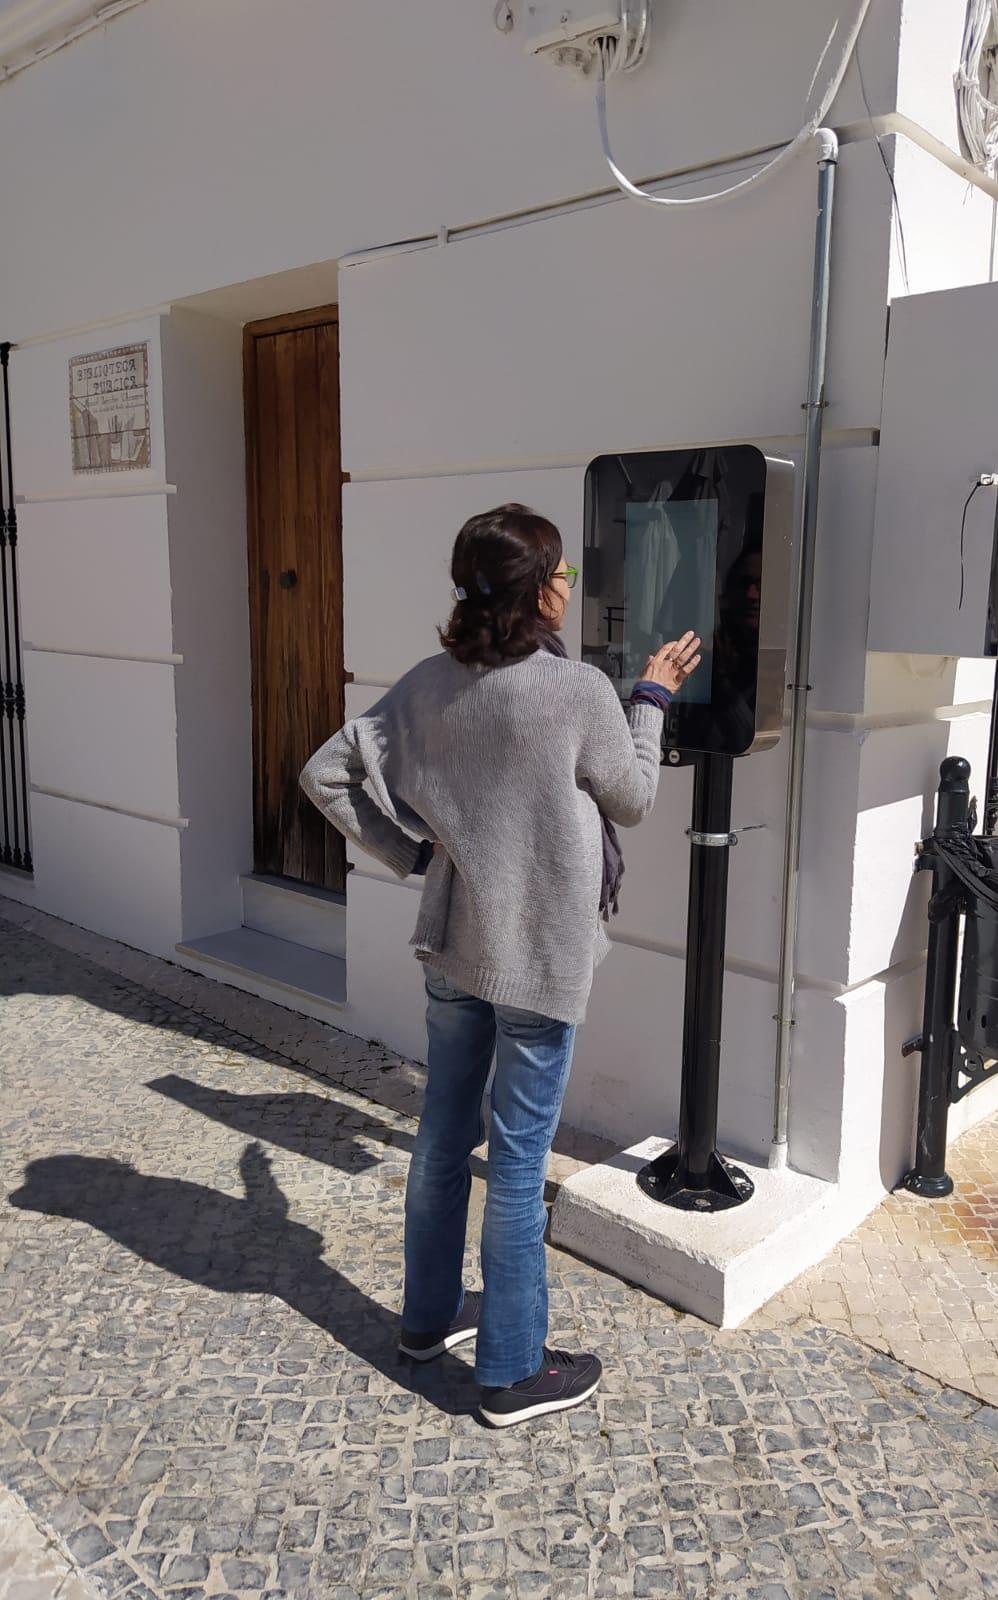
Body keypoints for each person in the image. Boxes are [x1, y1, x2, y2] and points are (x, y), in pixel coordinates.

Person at [300, 503, 700, 1427]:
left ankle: (425, 1323)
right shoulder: (578, 692)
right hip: (543, 961)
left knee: (444, 1141)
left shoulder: (428, 685)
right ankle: (512, 1375)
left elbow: (327, 771)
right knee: (518, 1167)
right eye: (558, 571)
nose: (569, 585)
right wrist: (651, 696)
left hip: (455, 951)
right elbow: (633, 798)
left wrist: (414, 855)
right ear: (537, 591)